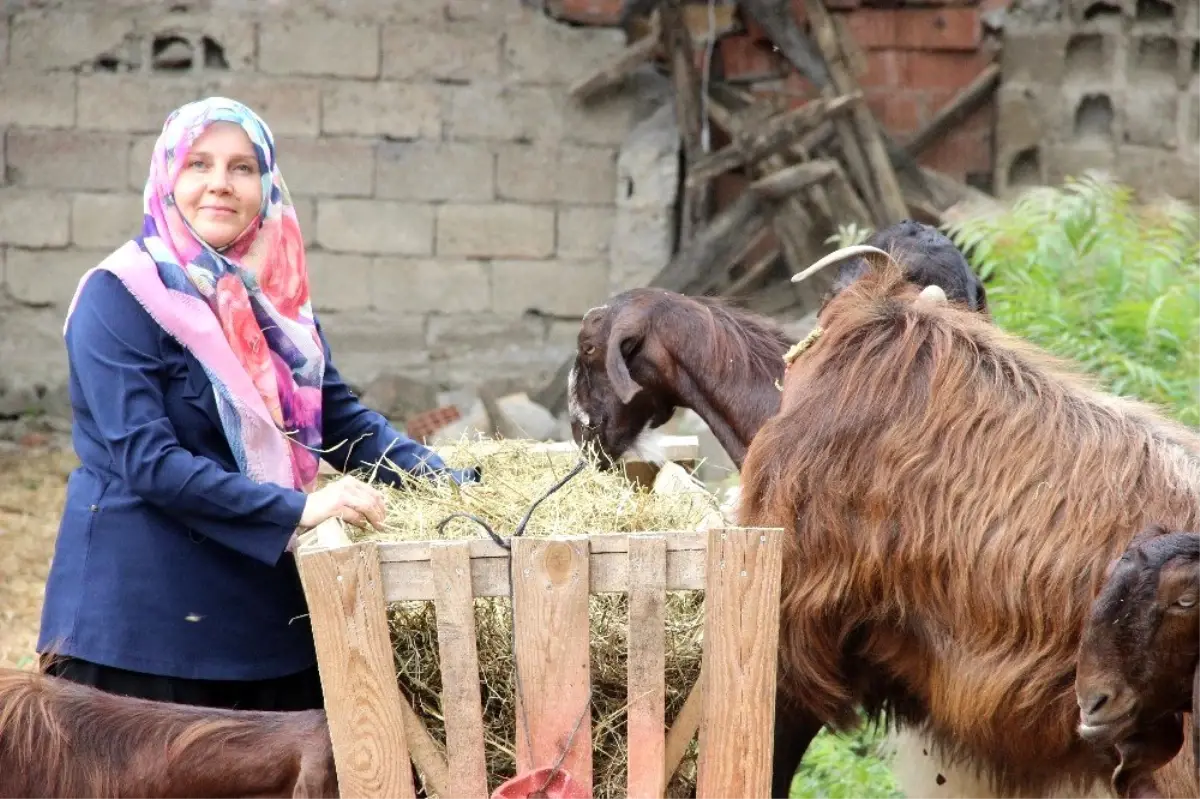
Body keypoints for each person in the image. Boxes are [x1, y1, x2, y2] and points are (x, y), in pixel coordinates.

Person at [35, 97, 480, 713]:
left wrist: (458, 486)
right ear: (169, 176)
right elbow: (148, 461)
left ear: (267, 183)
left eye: (242, 167)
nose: (220, 184)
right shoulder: (119, 297)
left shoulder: (275, 301)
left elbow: (339, 422)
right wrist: (304, 507)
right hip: (145, 632)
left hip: (267, 618)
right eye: (199, 164)